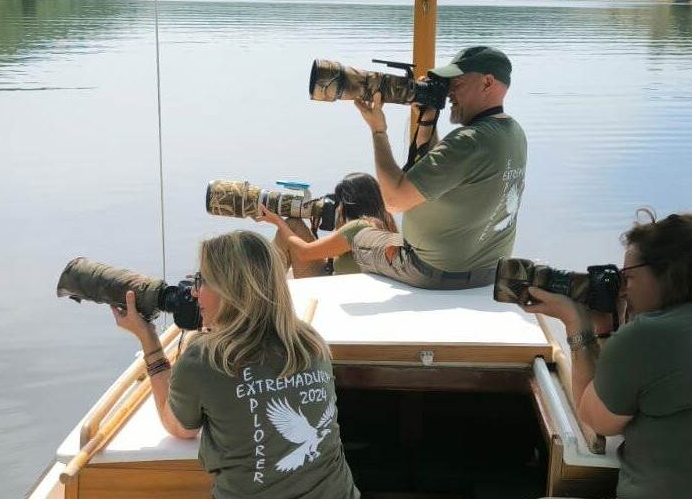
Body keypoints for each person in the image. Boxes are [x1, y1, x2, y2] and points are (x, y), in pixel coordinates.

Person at [522, 211, 692, 499]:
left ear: (666, 272)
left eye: (627, 277)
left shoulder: (649, 334)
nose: (623, 289)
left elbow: (596, 419)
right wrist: (607, 329)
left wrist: (576, 325)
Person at [111, 229, 360, 499]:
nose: (193, 292)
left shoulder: (203, 359)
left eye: (201, 281)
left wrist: (149, 340)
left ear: (229, 290)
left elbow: (179, 427)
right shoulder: (309, 342)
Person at [342, 45, 527, 289]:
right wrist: (427, 120)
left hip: (433, 271)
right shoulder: (512, 133)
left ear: (487, 82)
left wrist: (378, 130)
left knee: (359, 236)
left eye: (456, 82)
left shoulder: (468, 141)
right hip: (488, 271)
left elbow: (394, 202)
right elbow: (437, 171)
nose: (448, 91)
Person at [260, 171, 399, 278]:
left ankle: (261, 286)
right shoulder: (385, 221)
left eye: (340, 202)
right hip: (342, 281)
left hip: (331, 289)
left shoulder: (358, 227)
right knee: (294, 224)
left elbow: (304, 252)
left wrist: (277, 221)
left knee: (290, 225)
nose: (338, 207)